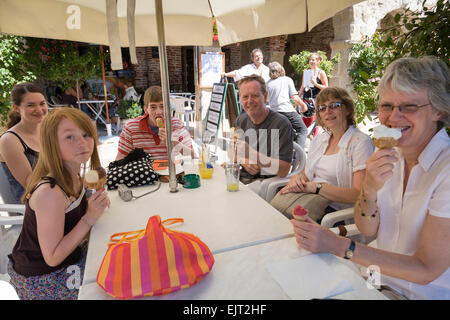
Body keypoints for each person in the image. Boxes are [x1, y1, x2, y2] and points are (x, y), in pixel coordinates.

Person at [291, 56, 450, 300]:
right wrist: (370, 189)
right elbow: (368, 227)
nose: (393, 117)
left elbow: (427, 269)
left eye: (408, 106)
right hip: (374, 280)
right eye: (387, 106)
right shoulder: (389, 153)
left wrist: (337, 245)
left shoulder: (445, 169)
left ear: (439, 109)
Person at [8, 107, 110, 300]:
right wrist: (89, 219)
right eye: (69, 137)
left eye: (86, 134)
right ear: (52, 144)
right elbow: (52, 257)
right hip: (41, 278)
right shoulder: (50, 193)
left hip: (68, 259)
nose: (82, 142)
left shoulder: (74, 176)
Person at [270, 86, 374, 222]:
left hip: (335, 215)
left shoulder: (361, 143)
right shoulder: (320, 139)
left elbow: (359, 194)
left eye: (334, 105)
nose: (328, 111)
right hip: (310, 201)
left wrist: (317, 187)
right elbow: (306, 175)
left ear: (347, 109)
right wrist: (297, 179)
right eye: (322, 108)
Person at [231, 75, 294, 189]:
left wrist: (252, 154)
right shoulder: (241, 120)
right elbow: (232, 152)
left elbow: (284, 170)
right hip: (242, 181)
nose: (249, 101)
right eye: (245, 97)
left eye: (255, 96)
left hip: (268, 185)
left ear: (265, 97)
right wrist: (243, 161)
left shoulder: (281, 124)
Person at [116, 85, 193, 161]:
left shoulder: (176, 125)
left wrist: (172, 141)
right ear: (146, 109)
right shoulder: (131, 127)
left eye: (162, 106)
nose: (158, 112)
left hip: (172, 171)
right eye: (153, 107)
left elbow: (192, 155)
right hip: (143, 172)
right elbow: (120, 157)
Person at [0, 83, 48, 203]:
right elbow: (30, 184)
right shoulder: (9, 140)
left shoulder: (47, 130)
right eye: (30, 105)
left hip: (56, 195)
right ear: (16, 108)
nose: (39, 109)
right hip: (32, 206)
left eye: (42, 103)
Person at [266, 61, 308, 149]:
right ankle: (298, 156)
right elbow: (295, 98)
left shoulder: (268, 83)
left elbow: (266, 99)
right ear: (281, 70)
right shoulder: (287, 79)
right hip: (287, 111)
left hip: (274, 113)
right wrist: (304, 106)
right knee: (302, 130)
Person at [298, 52, 329, 135]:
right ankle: (306, 142)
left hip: (315, 100)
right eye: (310, 60)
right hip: (306, 99)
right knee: (305, 120)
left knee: (313, 122)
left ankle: (314, 140)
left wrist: (315, 84)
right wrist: (298, 97)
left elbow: (326, 87)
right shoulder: (307, 72)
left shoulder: (321, 72)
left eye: (313, 60)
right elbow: (303, 85)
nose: (311, 61)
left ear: (318, 61)